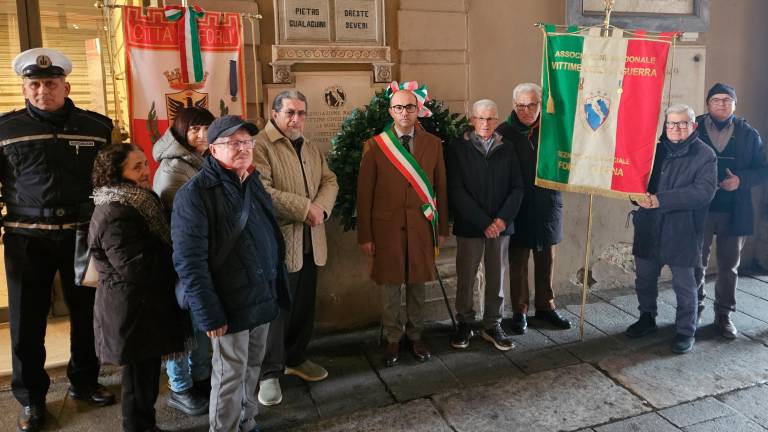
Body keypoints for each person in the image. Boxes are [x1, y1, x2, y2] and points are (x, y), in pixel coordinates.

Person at [0, 48, 115, 432]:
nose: (41, 90)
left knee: (87, 314)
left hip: (82, 234)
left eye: (50, 83)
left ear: (66, 86)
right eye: (33, 84)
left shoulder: (97, 127)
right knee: (26, 320)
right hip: (26, 237)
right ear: (24, 89)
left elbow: (108, 180)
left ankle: (85, 382)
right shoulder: (5, 130)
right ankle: (32, 398)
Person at [172, 115, 289, 432]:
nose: (242, 148)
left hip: (261, 295)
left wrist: (277, 285)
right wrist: (209, 314)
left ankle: (247, 421)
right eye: (232, 143)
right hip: (228, 303)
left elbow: (269, 234)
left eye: (247, 142)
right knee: (228, 375)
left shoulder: (251, 181)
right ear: (212, 149)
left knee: (253, 366)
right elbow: (189, 261)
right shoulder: (195, 195)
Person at [89, 143, 188, 432]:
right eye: (137, 167)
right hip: (130, 308)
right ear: (116, 174)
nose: (147, 172)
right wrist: (177, 256)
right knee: (137, 380)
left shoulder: (137, 201)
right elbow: (135, 266)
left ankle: (144, 424)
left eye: (145, 163)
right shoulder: (115, 211)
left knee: (144, 377)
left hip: (142, 307)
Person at [252, 90, 338, 406]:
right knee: (276, 312)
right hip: (279, 244)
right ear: (274, 113)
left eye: (301, 113)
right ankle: (269, 372)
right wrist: (305, 209)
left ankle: (296, 357)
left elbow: (330, 181)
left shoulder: (311, 147)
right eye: (290, 113)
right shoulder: (260, 146)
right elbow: (261, 190)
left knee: (304, 304)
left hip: (311, 242)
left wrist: (321, 209)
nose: (296, 119)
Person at [356, 82, 448, 367]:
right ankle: (394, 338)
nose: (405, 112)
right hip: (386, 229)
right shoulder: (374, 146)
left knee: (418, 284)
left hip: (422, 226)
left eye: (410, 107)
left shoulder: (433, 144)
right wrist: (365, 235)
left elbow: (441, 189)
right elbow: (364, 194)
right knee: (390, 287)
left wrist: (442, 229)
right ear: (390, 111)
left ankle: (416, 335)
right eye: (399, 107)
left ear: (418, 109)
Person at [626, 104, 717, 354]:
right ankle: (646, 317)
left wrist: (661, 200)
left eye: (682, 123)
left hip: (683, 230)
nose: (676, 128)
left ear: (693, 126)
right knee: (644, 279)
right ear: (665, 126)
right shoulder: (654, 151)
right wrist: (635, 197)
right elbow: (636, 181)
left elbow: (703, 192)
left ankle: (686, 330)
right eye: (671, 124)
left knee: (685, 284)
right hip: (648, 226)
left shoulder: (705, 155)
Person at [153, 107, 215, 415]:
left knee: (202, 322)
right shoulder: (173, 168)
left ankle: (201, 377)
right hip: (181, 258)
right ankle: (180, 387)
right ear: (181, 132)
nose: (202, 135)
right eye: (195, 130)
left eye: (207, 128)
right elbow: (183, 219)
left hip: (206, 254)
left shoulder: (205, 158)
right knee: (182, 328)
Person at [446, 99, 523, 351]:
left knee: (496, 277)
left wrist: (501, 220)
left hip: (500, 228)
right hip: (470, 227)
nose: (486, 123)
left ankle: (492, 324)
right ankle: (465, 323)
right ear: (472, 120)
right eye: (481, 118)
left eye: (491, 119)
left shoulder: (508, 148)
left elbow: (517, 188)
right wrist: (483, 222)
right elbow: (456, 190)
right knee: (466, 277)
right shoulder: (458, 148)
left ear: (497, 119)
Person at [496, 82, 571, 335]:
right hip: (517, 207)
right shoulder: (503, 132)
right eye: (521, 105)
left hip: (548, 203)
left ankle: (546, 307)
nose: (526, 111)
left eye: (532, 105)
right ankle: (519, 311)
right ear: (514, 106)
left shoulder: (553, 128)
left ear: (541, 104)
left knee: (546, 258)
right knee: (518, 261)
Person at [694, 83, 768, 339]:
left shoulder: (748, 134)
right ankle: (694, 310)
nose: (722, 104)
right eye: (716, 99)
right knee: (695, 263)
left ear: (735, 104)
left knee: (729, 266)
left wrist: (741, 180)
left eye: (727, 100)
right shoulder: (693, 128)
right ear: (708, 104)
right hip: (699, 210)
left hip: (735, 211)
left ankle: (723, 315)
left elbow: (763, 170)